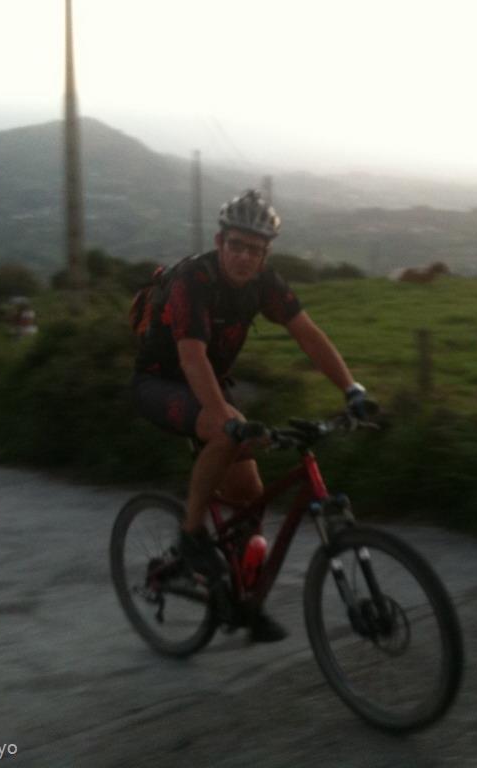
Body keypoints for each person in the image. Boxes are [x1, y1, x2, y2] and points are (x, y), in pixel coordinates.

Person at [132, 190, 370, 642]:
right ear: (220, 242)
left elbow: (308, 334)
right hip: (160, 383)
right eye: (236, 245)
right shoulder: (192, 281)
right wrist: (226, 418)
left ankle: (241, 604)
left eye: (254, 249)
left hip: (207, 385)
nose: (244, 256)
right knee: (225, 433)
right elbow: (191, 358)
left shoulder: (264, 283)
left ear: (266, 254)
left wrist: (352, 389)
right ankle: (190, 536)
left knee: (250, 501)